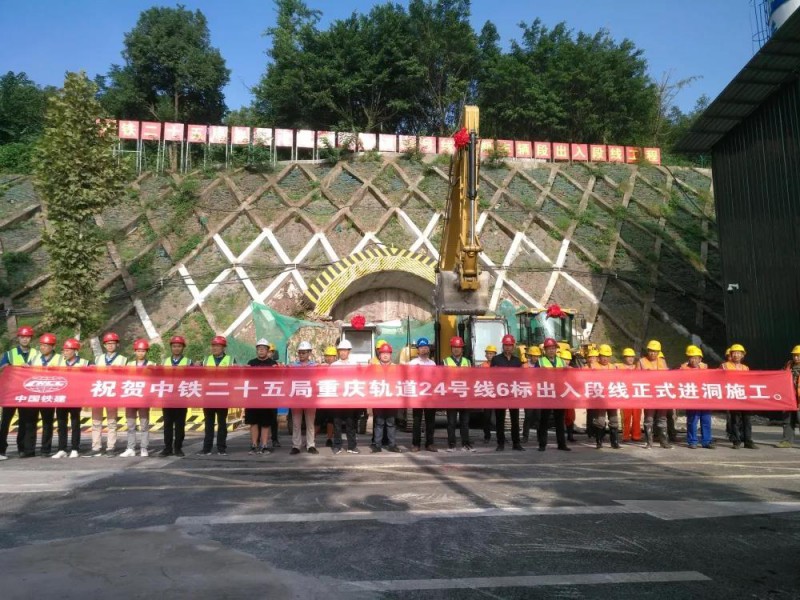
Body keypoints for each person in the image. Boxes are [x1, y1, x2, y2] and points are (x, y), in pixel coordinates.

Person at [0, 326, 40, 459]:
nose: (24, 339)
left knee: (26, 422)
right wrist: (9, 367)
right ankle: (1, 449)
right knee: (5, 422)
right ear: (18, 338)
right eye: (22, 337)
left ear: (31, 338)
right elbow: (2, 368)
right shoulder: (10, 354)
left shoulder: (36, 353)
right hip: (11, 393)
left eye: (27, 337)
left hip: (28, 393)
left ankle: (23, 449)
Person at [25, 333, 62, 457]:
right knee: (30, 422)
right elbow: (26, 372)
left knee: (47, 422)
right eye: (41, 345)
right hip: (34, 395)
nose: (42, 347)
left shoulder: (60, 359)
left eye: (46, 345)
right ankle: (29, 450)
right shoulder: (35, 358)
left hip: (49, 395)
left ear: (53, 346)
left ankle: (45, 450)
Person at [92, 332, 127, 457]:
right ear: (104, 345)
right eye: (108, 343)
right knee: (96, 421)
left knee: (112, 422)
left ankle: (110, 447)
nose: (110, 345)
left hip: (113, 393)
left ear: (117, 345)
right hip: (99, 392)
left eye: (112, 343)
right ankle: (96, 447)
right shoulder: (98, 359)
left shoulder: (123, 359)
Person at [52, 338, 88, 459]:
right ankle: (61, 449)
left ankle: (74, 448)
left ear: (75, 350)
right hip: (61, 397)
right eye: (64, 350)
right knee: (61, 424)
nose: (65, 352)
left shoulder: (84, 363)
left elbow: (94, 374)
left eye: (67, 350)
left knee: (75, 424)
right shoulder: (60, 363)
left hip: (76, 398)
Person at [199, 335, 234, 456]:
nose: (215, 348)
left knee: (222, 423)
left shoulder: (230, 360)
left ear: (223, 347)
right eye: (213, 345)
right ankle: (206, 448)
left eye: (218, 346)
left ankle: (221, 448)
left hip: (223, 396)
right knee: (209, 423)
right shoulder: (205, 360)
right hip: (208, 396)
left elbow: (236, 376)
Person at [536, 338, 571, 452]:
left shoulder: (561, 361)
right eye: (549, 348)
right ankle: (542, 444)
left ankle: (562, 444)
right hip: (546, 393)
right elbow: (534, 376)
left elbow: (567, 376)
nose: (551, 350)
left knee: (560, 420)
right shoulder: (540, 362)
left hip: (559, 394)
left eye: (553, 348)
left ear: (556, 349)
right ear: (545, 350)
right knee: (544, 420)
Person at [491, 334, 524, 451]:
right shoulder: (496, 359)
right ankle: (500, 443)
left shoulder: (517, 361)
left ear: (513, 346)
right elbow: (491, 375)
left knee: (515, 420)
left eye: (510, 345)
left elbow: (521, 377)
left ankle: (516, 443)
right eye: (506, 345)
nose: (508, 347)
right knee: (500, 420)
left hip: (513, 393)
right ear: (503, 346)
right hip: (500, 393)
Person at [159, 336, 191, 457]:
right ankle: (167, 448)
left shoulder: (188, 362)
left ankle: (178, 448)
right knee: (167, 424)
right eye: (174, 346)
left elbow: (194, 378)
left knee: (180, 424)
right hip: (167, 397)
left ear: (183, 348)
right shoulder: (164, 362)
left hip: (181, 397)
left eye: (179, 346)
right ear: (171, 348)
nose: (176, 348)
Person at [120, 339, 151, 457]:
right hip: (131, 397)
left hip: (144, 399)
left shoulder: (151, 364)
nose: (140, 353)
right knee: (131, 425)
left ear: (146, 351)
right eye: (138, 350)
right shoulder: (129, 364)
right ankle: (130, 448)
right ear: (135, 351)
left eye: (143, 351)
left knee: (144, 425)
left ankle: (144, 448)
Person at [246, 339, 278, 455]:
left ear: (268, 350)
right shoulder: (251, 363)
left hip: (267, 397)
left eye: (263, 348)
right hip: (253, 396)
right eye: (259, 348)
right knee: (253, 422)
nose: (261, 350)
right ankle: (254, 445)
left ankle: (264, 445)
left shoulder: (273, 364)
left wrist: (280, 369)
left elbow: (279, 379)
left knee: (266, 423)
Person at [722, 343, 756, 449]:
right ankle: (736, 441)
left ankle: (748, 440)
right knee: (735, 419)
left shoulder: (745, 367)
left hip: (744, 396)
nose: (736, 355)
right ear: (731, 354)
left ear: (742, 355)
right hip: (733, 395)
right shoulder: (725, 366)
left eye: (739, 353)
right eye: (734, 353)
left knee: (747, 419)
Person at [638, 340, 671, 449]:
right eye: (651, 351)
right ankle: (649, 442)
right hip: (648, 394)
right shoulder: (641, 361)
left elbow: (667, 376)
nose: (653, 353)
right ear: (647, 351)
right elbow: (635, 377)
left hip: (661, 393)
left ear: (658, 352)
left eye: (655, 351)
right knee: (649, 419)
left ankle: (664, 442)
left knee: (662, 418)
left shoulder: (662, 361)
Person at [329, 339, 360, 455]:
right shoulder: (333, 365)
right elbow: (329, 380)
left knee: (350, 423)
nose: (342, 352)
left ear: (349, 351)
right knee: (337, 423)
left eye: (345, 350)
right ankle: (337, 446)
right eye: (341, 350)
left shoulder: (354, 364)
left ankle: (352, 446)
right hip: (337, 399)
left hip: (350, 398)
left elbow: (359, 379)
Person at [680, 345, 714, 449]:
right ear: (688, 358)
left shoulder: (705, 367)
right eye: (692, 358)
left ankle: (706, 441)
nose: (694, 360)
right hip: (692, 398)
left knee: (706, 420)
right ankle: (692, 441)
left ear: (700, 359)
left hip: (704, 398)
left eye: (696, 358)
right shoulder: (683, 369)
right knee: (693, 420)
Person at [444, 336, 473, 452]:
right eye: (454, 347)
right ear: (451, 348)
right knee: (451, 422)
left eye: (459, 347)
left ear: (462, 349)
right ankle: (451, 444)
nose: (456, 349)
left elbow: (472, 378)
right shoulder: (445, 361)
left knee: (465, 422)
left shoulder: (468, 362)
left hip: (464, 396)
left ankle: (466, 443)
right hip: (451, 396)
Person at [409, 337, 438, 452]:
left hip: (430, 396)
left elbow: (436, 379)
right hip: (417, 397)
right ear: (418, 350)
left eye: (426, 347)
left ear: (429, 349)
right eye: (421, 348)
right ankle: (416, 444)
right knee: (417, 421)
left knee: (430, 421)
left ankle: (429, 443)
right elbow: (408, 377)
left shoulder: (432, 363)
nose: (424, 350)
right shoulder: (413, 363)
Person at [371, 342, 401, 452]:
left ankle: (392, 445)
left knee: (391, 423)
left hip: (391, 400)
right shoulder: (374, 367)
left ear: (390, 355)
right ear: (379, 355)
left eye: (387, 353)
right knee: (379, 423)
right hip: (378, 399)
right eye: (383, 353)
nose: (385, 355)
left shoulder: (396, 367)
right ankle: (377, 445)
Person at [290, 341, 318, 455]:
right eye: (300, 353)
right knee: (296, 423)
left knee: (310, 423)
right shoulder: (293, 366)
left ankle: (311, 445)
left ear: (309, 353)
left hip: (310, 397)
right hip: (297, 397)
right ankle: (296, 446)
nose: (301, 355)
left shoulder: (315, 366)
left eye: (304, 353)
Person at [590, 344, 621, 449]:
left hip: (611, 397)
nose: (605, 358)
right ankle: (599, 442)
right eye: (603, 356)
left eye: (607, 356)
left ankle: (614, 442)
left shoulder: (613, 367)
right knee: (600, 420)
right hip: (600, 397)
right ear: (599, 356)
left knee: (614, 420)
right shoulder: (594, 366)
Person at [777, 345, 800, 448]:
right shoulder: (788, 365)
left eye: (798, 355)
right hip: (788, 398)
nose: (796, 357)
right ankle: (787, 441)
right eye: (794, 355)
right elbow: (779, 376)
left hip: (799, 399)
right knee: (787, 420)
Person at [618, 348, 641, 443]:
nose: (631, 359)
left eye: (632, 357)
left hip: (636, 396)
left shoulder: (637, 367)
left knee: (637, 417)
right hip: (625, 396)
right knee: (626, 417)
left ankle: (636, 436)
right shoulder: (619, 367)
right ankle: (626, 435)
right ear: (624, 357)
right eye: (628, 357)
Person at [318, 345, 338, 447]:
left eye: (331, 356)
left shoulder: (338, 367)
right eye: (327, 356)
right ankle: (311, 440)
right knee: (317, 420)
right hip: (322, 396)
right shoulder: (320, 367)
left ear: (335, 357)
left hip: (333, 397)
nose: (329, 358)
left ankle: (329, 439)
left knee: (331, 420)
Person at [522, 345, 541, 443]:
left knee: (538, 417)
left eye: (537, 356)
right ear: (529, 356)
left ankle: (539, 436)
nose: (536, 358)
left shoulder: (541, 365)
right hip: (528, 394)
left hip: (538, 394)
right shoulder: (524, 366)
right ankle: (525, 436)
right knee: (528, 416)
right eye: (534, 356)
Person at [481, 344, 497, 443]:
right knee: (486, 416)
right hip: (487, 393)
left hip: (498, 393)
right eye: (488, 353)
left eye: (491, 353)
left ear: (495, 354)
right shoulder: (482, 365)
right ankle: (487, 436)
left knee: (499, 416)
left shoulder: (499, 365)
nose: (489, 355)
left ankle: (500, 435)